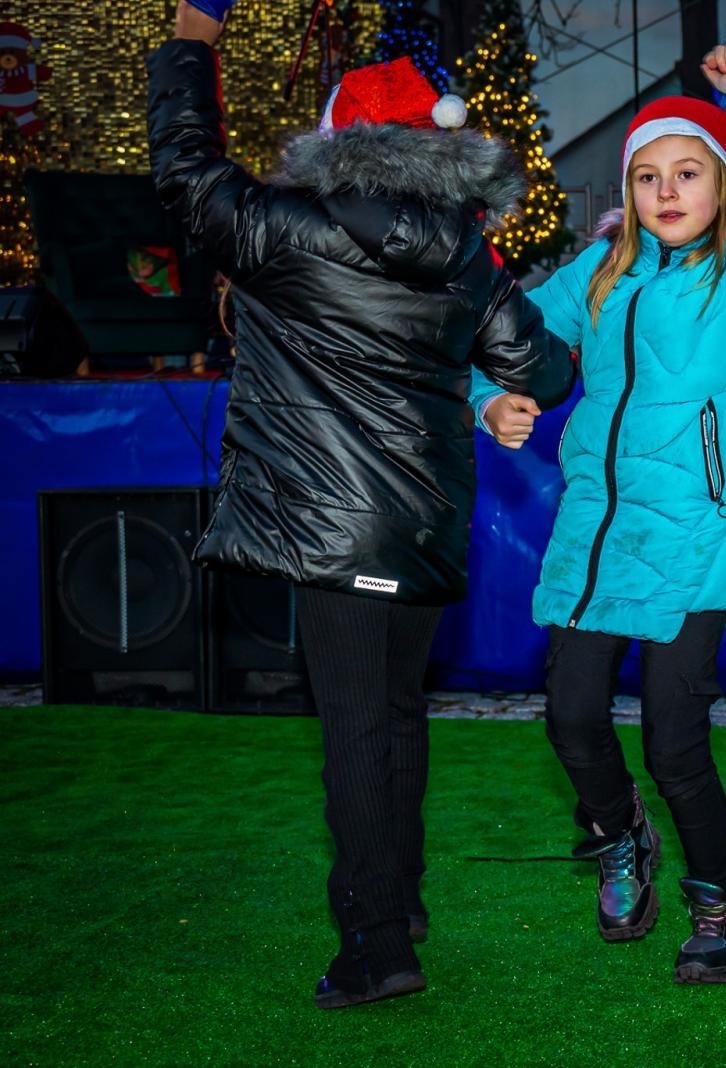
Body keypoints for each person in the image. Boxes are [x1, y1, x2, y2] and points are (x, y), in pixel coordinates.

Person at [147, 0, 574, 1008]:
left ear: (337, 142)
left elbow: (182, 167)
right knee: (396, 718)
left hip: (335, 533)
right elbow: (547, 370)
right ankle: (400, 902)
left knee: (355, 729)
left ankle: (377, 946)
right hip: (424, 530)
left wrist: (189, 44)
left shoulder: (280, 229)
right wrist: (505, 371)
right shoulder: (468, 255)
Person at [470, 42, 726, 983]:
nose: (666, 191)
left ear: (722, 186)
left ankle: (724, 905)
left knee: (677, 744)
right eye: (646, 176)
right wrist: (489, 398)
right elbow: (507, 335)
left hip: (698, 543)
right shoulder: (596, 275)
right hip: (599, 540)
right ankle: (620, 836)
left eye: (686, 173)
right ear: (627, 192)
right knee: (569, 717)